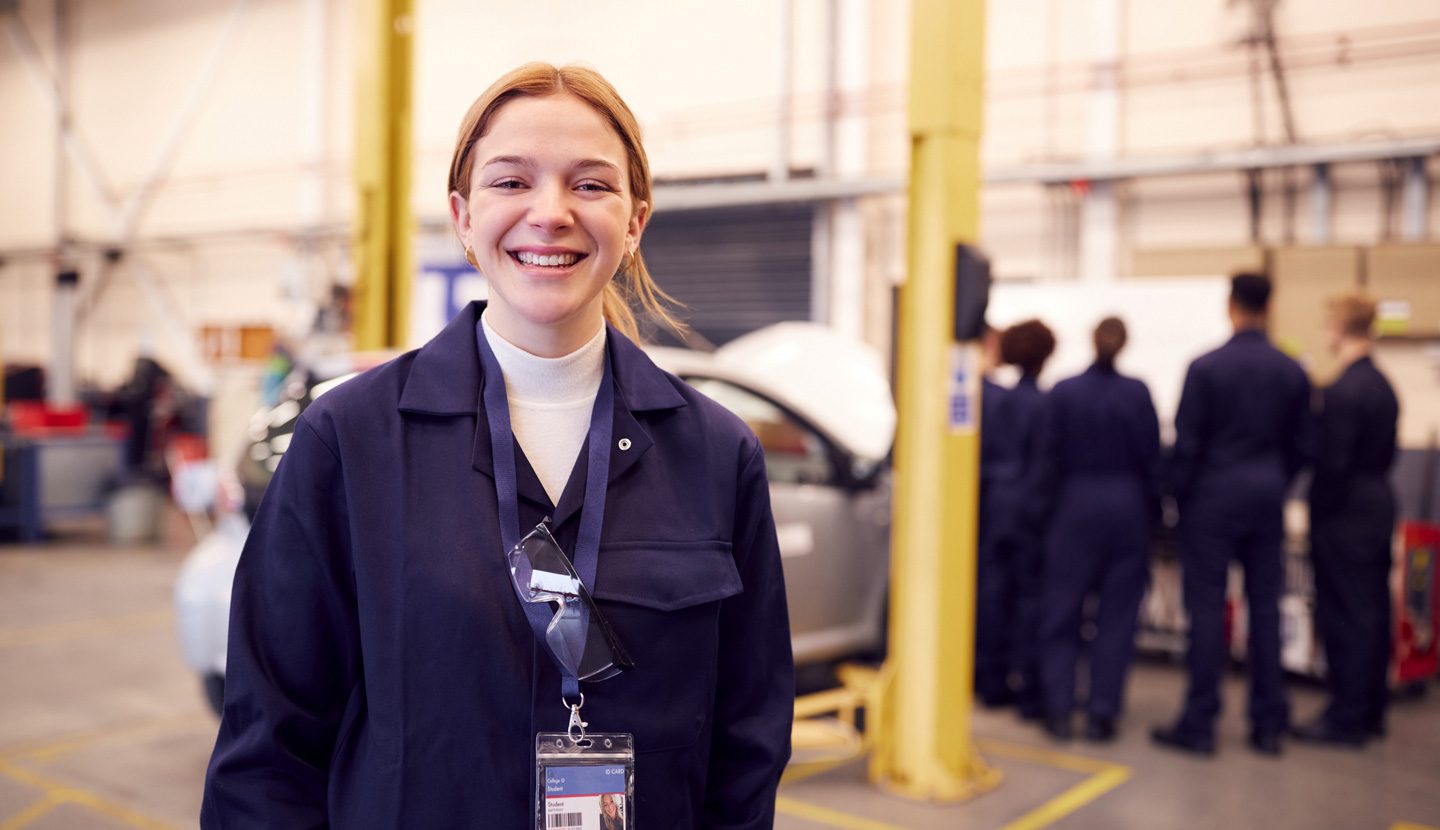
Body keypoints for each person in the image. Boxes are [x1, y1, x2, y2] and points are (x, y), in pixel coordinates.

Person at [202, 63, 794, 828]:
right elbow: (269, 750)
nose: (550, 214)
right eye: (511, 183)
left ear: (636, 219)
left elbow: (746, 744)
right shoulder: (349, 444)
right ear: (462, 216)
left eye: (591, 184)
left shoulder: (717, 455)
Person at [1153, 273, 1312, 757]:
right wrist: (1274, 483)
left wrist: (1178, 499)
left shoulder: (1205, 368)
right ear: (1269, 306)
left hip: (1211, 502)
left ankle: (1200, 723)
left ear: (1231, 306)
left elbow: (1188, 445)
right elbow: (1303, 446)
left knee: (1206, 610)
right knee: (1265, 608)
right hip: (1265, 500)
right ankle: (1267, 723)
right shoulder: (1292, 371)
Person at [1035, 317, 1160, 742]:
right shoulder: (1137, 393)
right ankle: (1102, 711)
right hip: (1127, 508)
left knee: (1063, 610)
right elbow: (1152, 460)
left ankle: (1058, 706)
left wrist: (1045, 513)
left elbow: (1047, 459)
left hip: (1075, 507)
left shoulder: (1065, 392)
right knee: (1117, 616)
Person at [1292, 294, 1399, 747]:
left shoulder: (1343, 391)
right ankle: (1371, 709)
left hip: (1345, 514)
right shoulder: (1381, 385)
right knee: (1373, 610)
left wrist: (1318, 511)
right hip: (1377, 503)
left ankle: (1345, 717)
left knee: (1344, 614)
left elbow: (1332, 465)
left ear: (1339, 327)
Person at [997, 319, 1057, 719]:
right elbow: (1046, 462)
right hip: (1030, 510)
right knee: (1031, 600)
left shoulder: (997, 401)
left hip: (996, 506)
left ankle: (992, 679)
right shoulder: (1045, 405)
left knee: (995, 595)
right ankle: (1029, 688)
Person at [976, 323, 1017, 707]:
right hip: (998, 512)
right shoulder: (1003, 399)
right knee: (992, 593)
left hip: (966, 513)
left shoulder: (946, 395)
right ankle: (990, 677)